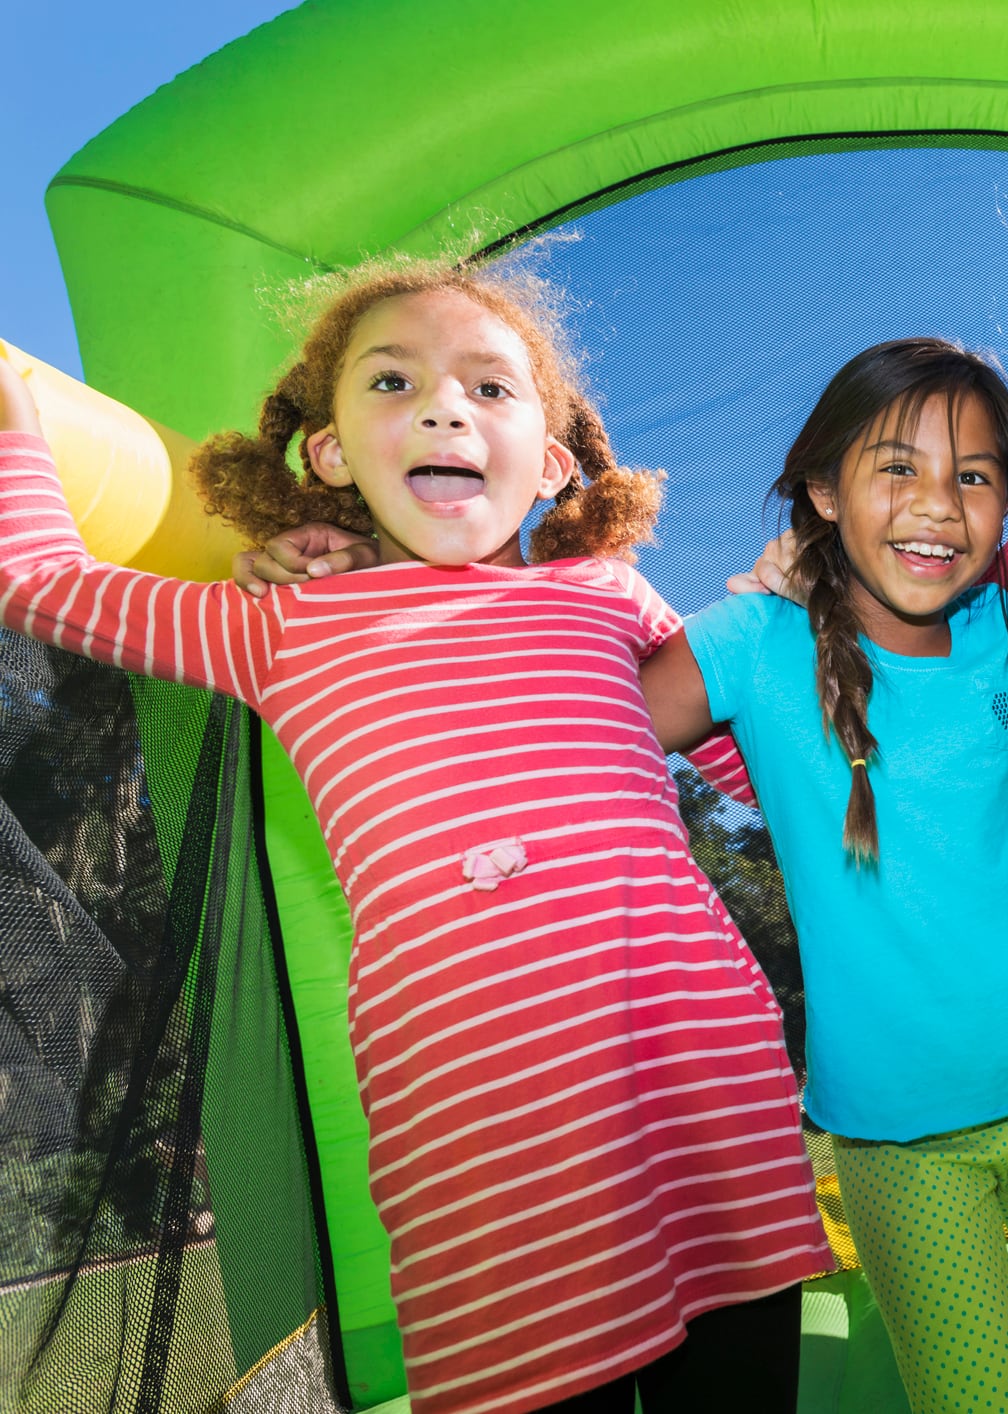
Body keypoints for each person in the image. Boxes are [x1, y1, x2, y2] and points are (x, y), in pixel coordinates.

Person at [0, 262, 830, 1414]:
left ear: (551, 461)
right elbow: (43, 583)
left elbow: (774, 776)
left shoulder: (606, 596)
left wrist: (784, 638)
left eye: (490, 387)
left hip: (704, 1086)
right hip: (482, 1138)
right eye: (395, 381)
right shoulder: (285, 622)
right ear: (331, 449)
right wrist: (15, 412)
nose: (445, 407)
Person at [638, 337, 1008, 1414]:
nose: (937, 504)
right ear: (819, 489)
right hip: (896, 1143)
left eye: (974, 476)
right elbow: (576, 716)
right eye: (896, 467)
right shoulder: (753, 640)